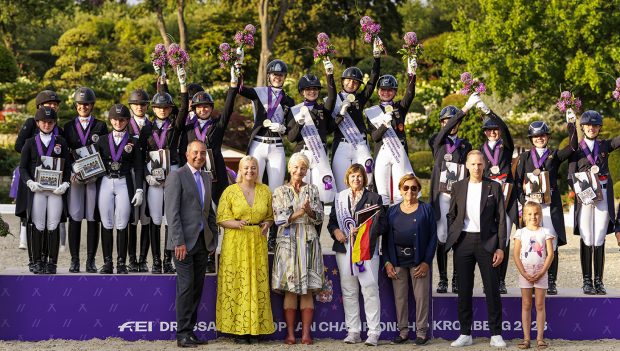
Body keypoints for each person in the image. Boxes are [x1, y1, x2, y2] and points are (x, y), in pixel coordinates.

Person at [445, 150, 506, 348]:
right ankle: (465, 333)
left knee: (492, 289)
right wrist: (454, 236)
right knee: (463, 290)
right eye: (473, 164)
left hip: (487, 243)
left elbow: (501, 220)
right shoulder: (457, 186)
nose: (477, 168)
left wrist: (500, 247)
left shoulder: (494, 187)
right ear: (467, 166)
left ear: (484, 165)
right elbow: (452, 214)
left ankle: (496, 334)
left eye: (480, 164)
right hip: (463, 242)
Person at [216, 155, 274, 344]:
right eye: (246, 168)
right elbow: (221, 219)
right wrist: (236, 223)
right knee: (237, 284)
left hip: (257, 242)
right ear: (240, 170)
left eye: (253, 168)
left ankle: (255, 329)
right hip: (235, 243)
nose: (250, 171)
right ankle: (238, 331)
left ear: (258, 170)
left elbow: (271, 216)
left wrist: (267, 223)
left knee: (256, 284)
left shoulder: (265, 191)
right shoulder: (230, 191)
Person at [164, 140, 217, 348]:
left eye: (202, 153)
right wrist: (179, 242)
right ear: (187, 154)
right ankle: (182, 334)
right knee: (185, 288)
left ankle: (191, 331)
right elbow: (172, 213)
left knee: (196, 288)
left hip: (203, 244)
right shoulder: (176, 176)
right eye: (195, 153)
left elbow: (208, 212)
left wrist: (213, 239)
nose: (199, 156)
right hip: (183, 244)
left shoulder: (206, 176)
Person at [238, 58, 294, 252]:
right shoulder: (259, 92)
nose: (278, 78)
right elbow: (239, 88)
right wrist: (236, 65)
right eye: (275, 75)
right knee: (252, 186)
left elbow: (292, 129)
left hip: (277, 145)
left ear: (284, 77)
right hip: (259, 144)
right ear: (269, 76)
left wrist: (284, 128)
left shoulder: (288, 100)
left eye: (281, 75)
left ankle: (272, 235)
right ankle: (251, 228)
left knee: (275, 190)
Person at [515, 119, 576, 295]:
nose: (539, 138)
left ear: (547, 136)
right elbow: (518, 182)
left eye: (542, 135)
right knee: (530, 243)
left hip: (549, 207)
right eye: (536, 136)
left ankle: (551, 280)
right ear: (531, 139)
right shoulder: (525, 157)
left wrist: (571, 124)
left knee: (551, 243)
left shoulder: (554, 155)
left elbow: (572, 147)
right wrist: (522, 197)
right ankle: (531, 277)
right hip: (531, 207)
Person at [327, 164, 385, 346]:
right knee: (349, 291)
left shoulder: (374, 198)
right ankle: (353, 331)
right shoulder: (339, 198)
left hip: (366, 251)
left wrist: (362, 235)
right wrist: (336, 231)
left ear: (364, 178)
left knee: (369, 290)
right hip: (344, 250)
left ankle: (374, 332)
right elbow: (332, 223)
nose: (356, 179)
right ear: (347, 178)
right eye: (352, 176)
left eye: (359, 176)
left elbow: (381, 224)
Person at [271, 153, 324, 345]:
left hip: (309, 240)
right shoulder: (278, 191)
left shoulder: (313, 189)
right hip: (288, 243)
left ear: (307, 170)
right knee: (290, 289)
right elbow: (279, 219)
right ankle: (291, 334)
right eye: (295, 167)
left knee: (308, 289)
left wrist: (309, 211)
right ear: (289, 168)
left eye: (303, 168)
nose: (299, 171)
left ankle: (306, 334)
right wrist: (300, 212)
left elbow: (319, 218)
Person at [429, 96, 478, 294]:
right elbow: (443, 132)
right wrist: (464, 110)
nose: (451, 125)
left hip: (459, 195)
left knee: (457, 236)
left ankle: (457, 278)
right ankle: (442, 278)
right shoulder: (437, 140)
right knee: (441, 236)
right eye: (447, 121)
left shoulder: (466, 145)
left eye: (455, 121)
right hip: (441, 194)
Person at [568, 110, 619, 295]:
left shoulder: (605, 145)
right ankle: (587, 281)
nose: (592, 128)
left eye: (595, 125)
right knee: (587, 237)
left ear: (599, 128)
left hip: (603, 196)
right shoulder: (577, 149)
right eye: (588, 125)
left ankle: (599, 280)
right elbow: (570, 176)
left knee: (599, 237)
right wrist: (585, 193)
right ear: (583, 127)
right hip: (586, 198)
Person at [472, 95, 519, 294]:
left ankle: (501, 280)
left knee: (504, 238)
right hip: (489, 193)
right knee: (489, 237)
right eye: (489, 130)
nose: (493, 132)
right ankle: (490, 279)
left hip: (506, 194)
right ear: (485, 133)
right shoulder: (481, 151)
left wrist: (488, 111)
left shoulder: (506, 147)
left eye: (495, 129)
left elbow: (505, 129)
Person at [382, 174, 436, 345]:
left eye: (414, 188)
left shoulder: (426, 209)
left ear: (418, 190)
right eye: (406, 187)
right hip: (397, 261)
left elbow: (433, 238)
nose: (409, 191)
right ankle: (403, 332)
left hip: (419, 261)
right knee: (400, 298)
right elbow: (385, 239)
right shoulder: (391, 211)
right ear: (400, 189)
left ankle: (421, 333)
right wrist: (387, 261)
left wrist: (427, 261)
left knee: (420, 298)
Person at [14, 90, 63, 270]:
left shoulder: (59, 131)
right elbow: (20, 147)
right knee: (33, 219)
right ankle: (34, 259)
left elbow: (64, 155)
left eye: (55, 104)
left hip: (54, 182)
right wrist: (38, 159)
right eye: (48, 104)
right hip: (34, 179)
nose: (52, 107)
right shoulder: (31, 125)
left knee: (51, 222)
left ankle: (49, 259)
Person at [19, 107, 71, 274]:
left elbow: (68, 167)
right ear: (37, 123)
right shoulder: (30, 143)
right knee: (38, 225)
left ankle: (52, 262)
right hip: (38, 189)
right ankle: (37, 261)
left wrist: (66, 183)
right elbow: (22, 167)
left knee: (53, 225)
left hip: (55, 190)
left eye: (50, 122)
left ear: (54, 123)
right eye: (44, 122)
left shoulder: (61, 142)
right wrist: (29, 182)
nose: (47, 125)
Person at [63, 87, 109, 273]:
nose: (83, 107)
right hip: (75, 177)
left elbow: (104, 151)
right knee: (75, 216)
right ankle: (74, 260)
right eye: (80, 104)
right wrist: (72, 169)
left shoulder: (100, 126)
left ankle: (90, 260)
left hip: (93, 177)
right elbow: (65, 154)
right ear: (76, 105)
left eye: (87, 104)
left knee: (92, 217)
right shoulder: (67, 127)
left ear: (92, 105)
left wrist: (96, 171)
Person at [145, 74, 187, 274]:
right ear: (153, 109)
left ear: (171, 109)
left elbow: (185, 107)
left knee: (171, 218)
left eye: (166, 107)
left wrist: (181, 83)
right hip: (154, 178)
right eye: (159, 107)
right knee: (155, 219)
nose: (162, 110)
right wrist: (147, 175)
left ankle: (168, 259)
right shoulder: (146, 127)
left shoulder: (176, 126)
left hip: (173, 173)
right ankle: (155, 260)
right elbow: (142, 153)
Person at [95, 104, 144, 274]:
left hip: (123, 182)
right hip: (106, 182)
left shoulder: (134, 141)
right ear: (110, 120)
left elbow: (138, 167)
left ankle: (122, 263)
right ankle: (108, 262)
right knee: (106, 222)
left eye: (122, 119)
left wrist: (139, 189)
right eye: (115, 119)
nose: (118, 122)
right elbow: (94, 164)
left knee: (122, 222)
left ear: (127, 121)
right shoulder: (101, 140)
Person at [331, 40, 382, 193]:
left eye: (355, 82)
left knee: (367, 177)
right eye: (349, 80)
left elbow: (372, 82)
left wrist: (377, 58)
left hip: (360, 144)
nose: (352, 84)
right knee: (341, 186)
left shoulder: (360, 98)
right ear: (343, 81)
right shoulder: (334, 99)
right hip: (341, 144)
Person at [366, 58, 417, 205]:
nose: (386, 93)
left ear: (394, 91)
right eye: (383, 90)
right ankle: (383, 224)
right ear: (378, 91)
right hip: (382, 151)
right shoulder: (372, 112)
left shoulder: (400, 107)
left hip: (398, 150)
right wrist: (384, 124)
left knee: (400, 191)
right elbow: (375, 137)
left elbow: (410, 94)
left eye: (389, 90)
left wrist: (412, 73)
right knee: (382, 194)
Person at [287, 68, 337, 205]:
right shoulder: (295, 111)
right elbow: (291, 137)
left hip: (319, 153)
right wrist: (300, 123)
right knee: (300, 193)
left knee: (322, 195)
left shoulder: (322, 109)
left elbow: (332, 97)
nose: (312, 91)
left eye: (315, 89)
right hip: (302, 154)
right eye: (308, 89)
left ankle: (318, 223)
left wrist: (329, 74)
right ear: (302, 91)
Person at [513, 201, 554, 350]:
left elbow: (550, 254)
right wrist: (523, 272)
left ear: (541, 215)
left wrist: (542, 271)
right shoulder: (521, 232)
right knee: (526, 304)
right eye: (529, 214)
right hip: (525, 272)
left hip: (541, 272)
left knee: (539, 305)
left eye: (536, 214)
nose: (533, 217)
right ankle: (526, 338)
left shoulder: (545, 232)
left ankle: (540, 338)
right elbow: (516, 255)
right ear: (524, 216)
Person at [127, 89, 152, 272]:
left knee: (146, 217)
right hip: (132, 174)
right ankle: (131, 258)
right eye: (136, 104)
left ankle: (143, 258)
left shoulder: (152, 126)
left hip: (150, 172)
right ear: (131, 106)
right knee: (131, 218)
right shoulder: (124, 125)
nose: (140, 107)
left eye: (143, 104)